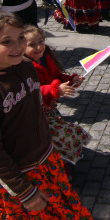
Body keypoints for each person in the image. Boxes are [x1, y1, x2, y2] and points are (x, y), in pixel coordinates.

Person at [0, 12, 95, 220]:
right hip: (21, 176)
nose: (18, 47)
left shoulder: (26, 67)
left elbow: (36, 112)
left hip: (47, 160)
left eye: (20, 38)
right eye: (6, 41)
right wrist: (24, 192)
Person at [23, 25, 91, 170]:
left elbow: (57, 75)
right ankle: (55, 168)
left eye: (41, 41)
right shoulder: (24, 66)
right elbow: (31, 91)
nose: (39, 47)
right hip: (34, 113)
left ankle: (60, 164)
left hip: (49, 107)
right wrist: (55, 89)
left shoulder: (46, 58)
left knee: (54, 138)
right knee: (52, 138)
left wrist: (71, 80)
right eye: (32, 45)